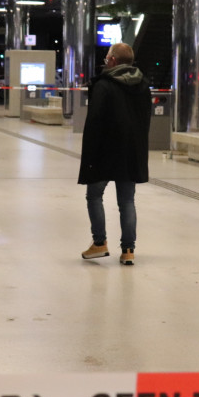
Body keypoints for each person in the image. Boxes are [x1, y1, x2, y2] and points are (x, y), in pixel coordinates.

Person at [78, 42, 151, 266]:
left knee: (94, 195)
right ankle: (128, 249)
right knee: (127, 200)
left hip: (105, 151)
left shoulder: (104, 85)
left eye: (107, 57)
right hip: (131, 151)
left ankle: (100, 243)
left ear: (112, 61)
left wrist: (89, 154)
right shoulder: (143, 84)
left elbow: (95, 122)